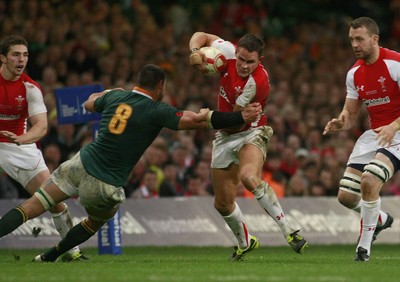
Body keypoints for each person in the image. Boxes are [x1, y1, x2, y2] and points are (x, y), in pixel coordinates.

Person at [0, 64, 262, 262]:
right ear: (160, 85)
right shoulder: (156, 110)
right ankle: (50, 256)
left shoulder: (116, 97)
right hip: (105, 183)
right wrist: (240, 115)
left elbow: (90, 103)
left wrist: (108, 92)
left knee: (31, 206)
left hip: (80, 163)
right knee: (97, 220)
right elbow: (196, 121)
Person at [189, 32, 308, 261]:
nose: (243, 65)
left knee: (248, 177)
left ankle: (289, 230)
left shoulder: (258, 83)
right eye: (241, 59)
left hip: (251, 132)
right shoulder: (228, 52)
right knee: (222, 204)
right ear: (237, 53)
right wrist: (194, 52)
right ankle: (246, 242)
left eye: (250, 62)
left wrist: (207, 117)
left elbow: (234, 123)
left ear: (259, 60)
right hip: (224, 137)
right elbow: (201, 35)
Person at [0, 35, 86, 261]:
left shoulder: (30, 88)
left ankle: (71, 252)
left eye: (25, 55)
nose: (21, 60)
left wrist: (22, 138)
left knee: (54, 199)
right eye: (16, 54)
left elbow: (42, 126)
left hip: (19, 145)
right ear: (3, 58)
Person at [323, 17, 399, 262]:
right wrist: (340, 121)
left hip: (398, 132)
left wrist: (394, 125)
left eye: (359, 39)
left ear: (374, 39)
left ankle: (363, 248)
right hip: (375, 134)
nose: (354, 44)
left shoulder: (395, 63)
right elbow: (351, 114)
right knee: (346, 197)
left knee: (370, 179)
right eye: (351, 40)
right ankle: (380, 219)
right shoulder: (354, 73)